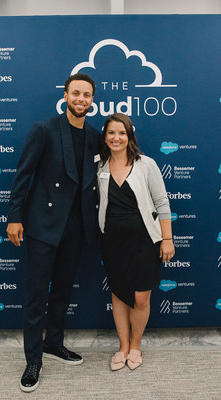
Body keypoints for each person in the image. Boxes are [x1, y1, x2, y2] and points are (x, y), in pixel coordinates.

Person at [6, 73, 100, 392]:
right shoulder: (44, 129)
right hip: (43, 224)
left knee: (62, 292)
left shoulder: (94, 136)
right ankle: (33, 359)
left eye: (86, 95)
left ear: (92, 100)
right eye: (76, 93)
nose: (81, 99)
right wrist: (14, 217)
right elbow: (23, 175)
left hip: (76, 226)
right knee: (37, 296)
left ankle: (53, 343)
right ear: (65, 95)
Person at [97, 113, 175, 371]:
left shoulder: (146, 164)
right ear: (105, 136)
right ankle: (122, 346)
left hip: (145, 240)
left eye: (121, 133)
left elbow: (163, 203)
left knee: (141, 298)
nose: (116, 138)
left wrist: (167, 239)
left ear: (129, 136)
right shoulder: (98, 165)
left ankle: (136, 346)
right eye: (111, 133)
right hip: (113, 242)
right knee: (119, 295)